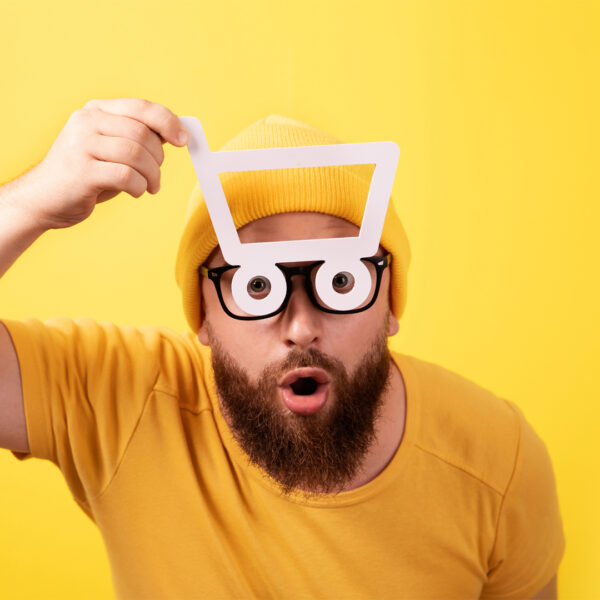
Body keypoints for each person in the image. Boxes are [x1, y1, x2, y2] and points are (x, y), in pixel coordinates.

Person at [0, 98, 565, 599]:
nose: (300, 328)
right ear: (203, 313)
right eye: (257, 284)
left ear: (391, 301)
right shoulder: (119, 399)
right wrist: (27, 206)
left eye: (341, 280)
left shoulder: (499, 457)